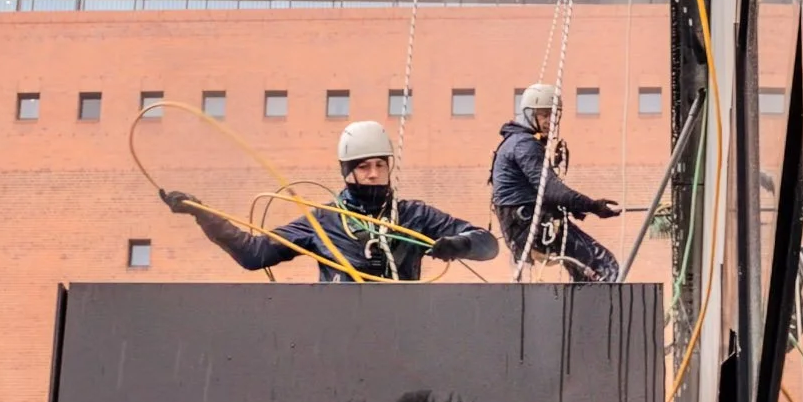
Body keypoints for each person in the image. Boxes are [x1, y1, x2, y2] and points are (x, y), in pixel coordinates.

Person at [161, 121, 498, 281]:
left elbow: (488, 244)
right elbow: (253, 253)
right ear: (347, 171)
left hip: (402, 327)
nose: (372, 174)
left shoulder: (415, 215)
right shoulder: (324, 220)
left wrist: (459, 244)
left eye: (380, 165)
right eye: (363, 166)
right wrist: (203, 215)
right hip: (338, 330)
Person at [489, 83, 621, 283]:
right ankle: (593, 312)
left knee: (583, 271)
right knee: (604, 266)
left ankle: (578, 309)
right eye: (544, 115)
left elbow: (537, 192)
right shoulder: (525, 145)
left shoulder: (513, 142)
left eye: (554, 115)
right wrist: (593, 206)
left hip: (522, 226)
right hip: (531, 226)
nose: (551, 121)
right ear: (529, 114)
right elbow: (552, 191)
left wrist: (572, 207)